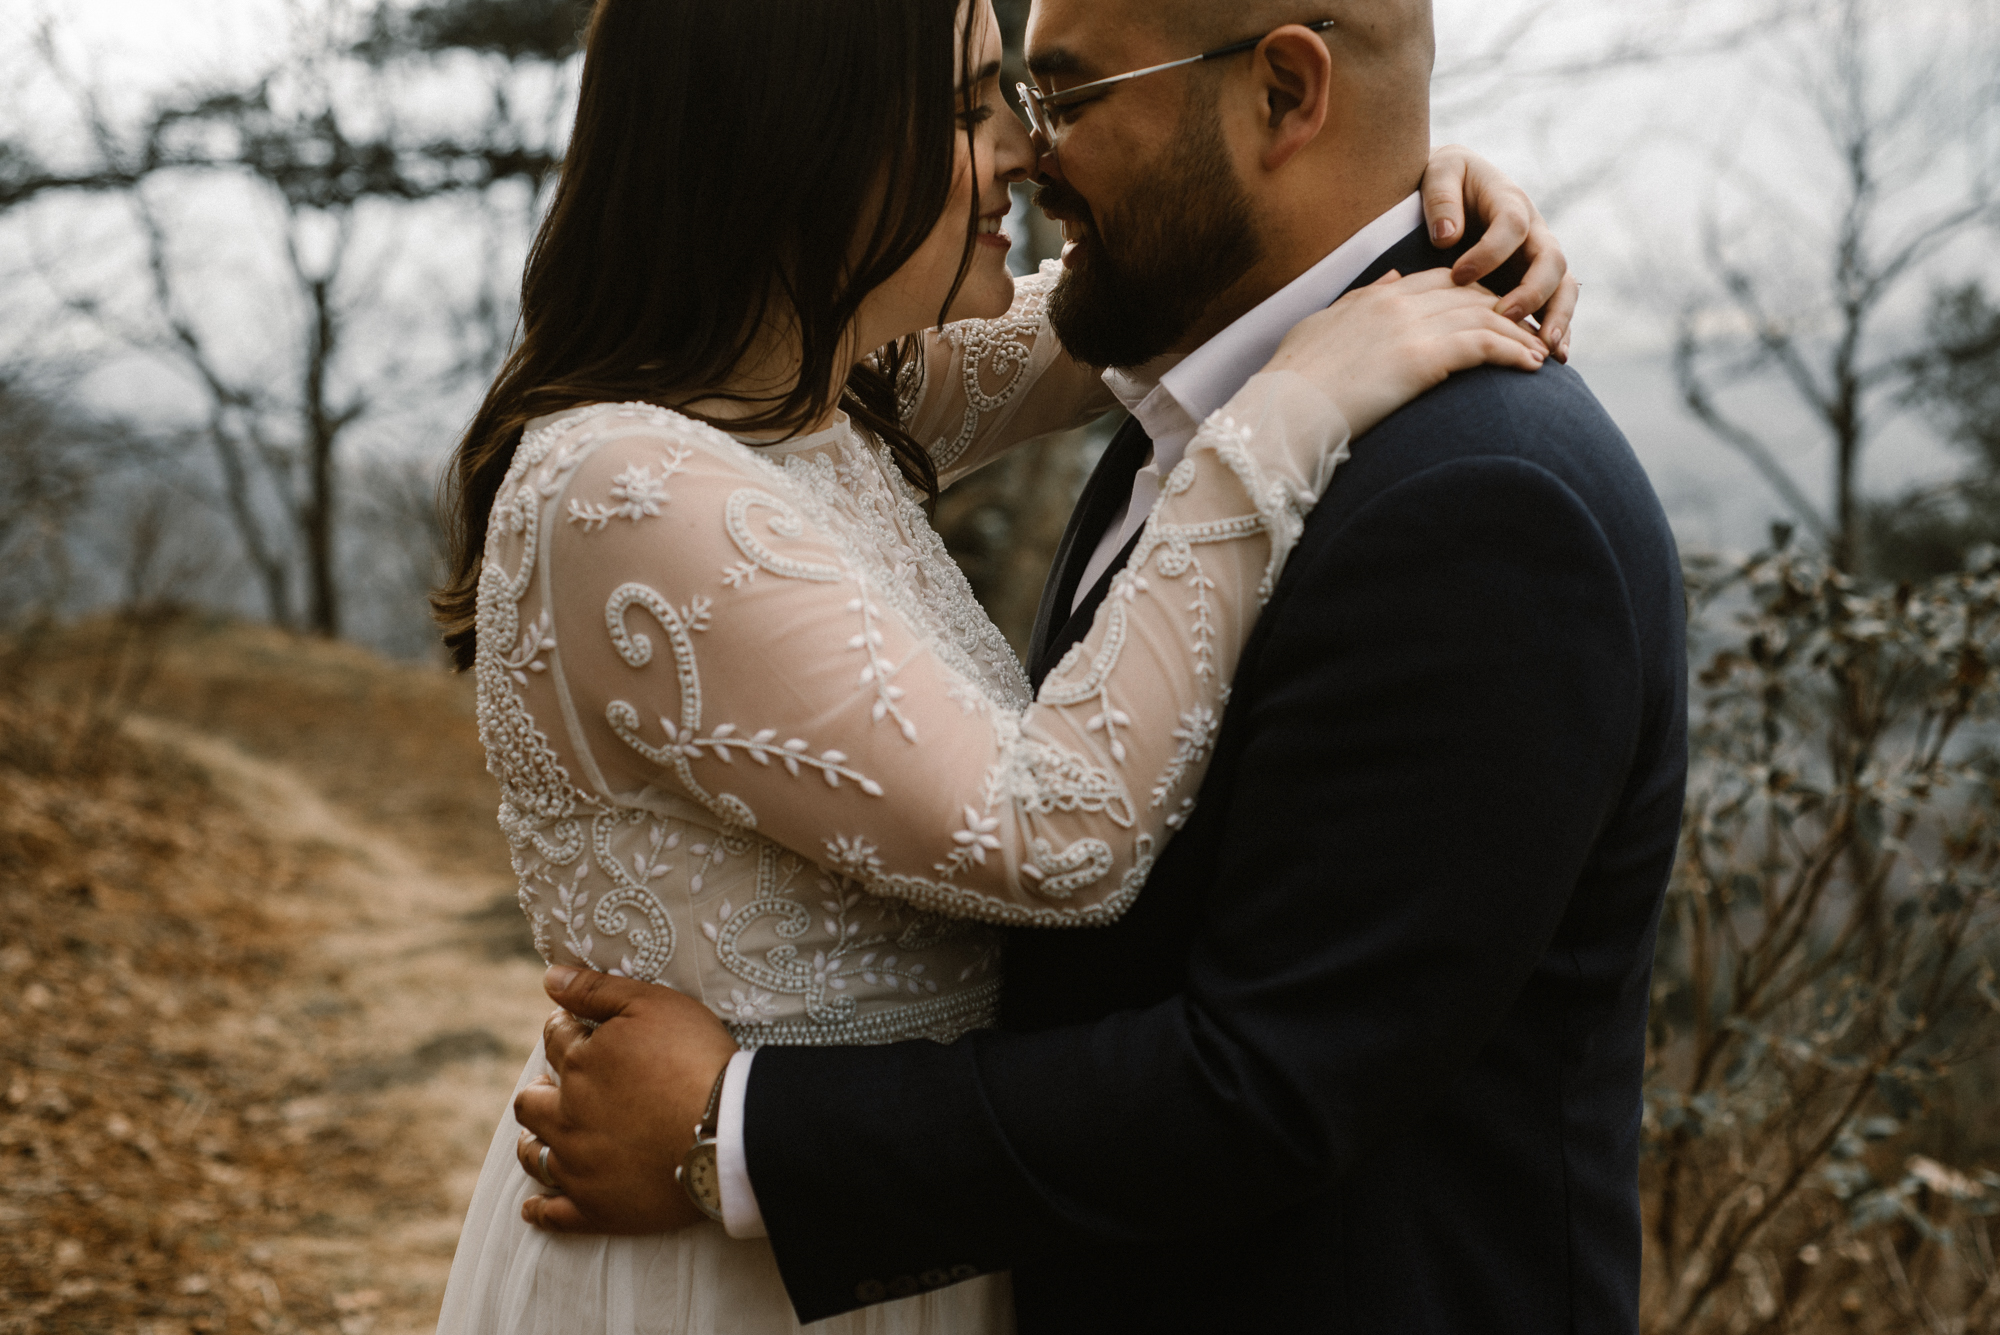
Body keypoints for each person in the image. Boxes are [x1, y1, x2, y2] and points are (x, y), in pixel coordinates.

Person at [502, 0, 1685, 1333]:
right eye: (977, 109)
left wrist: (1422, 188)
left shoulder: (1478, 501)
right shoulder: (708, 451)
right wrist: (1344, 271)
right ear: (795, 141)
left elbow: (1276, 1080)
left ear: (1288, 95)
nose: (1022, 148)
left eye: (1058, 97)